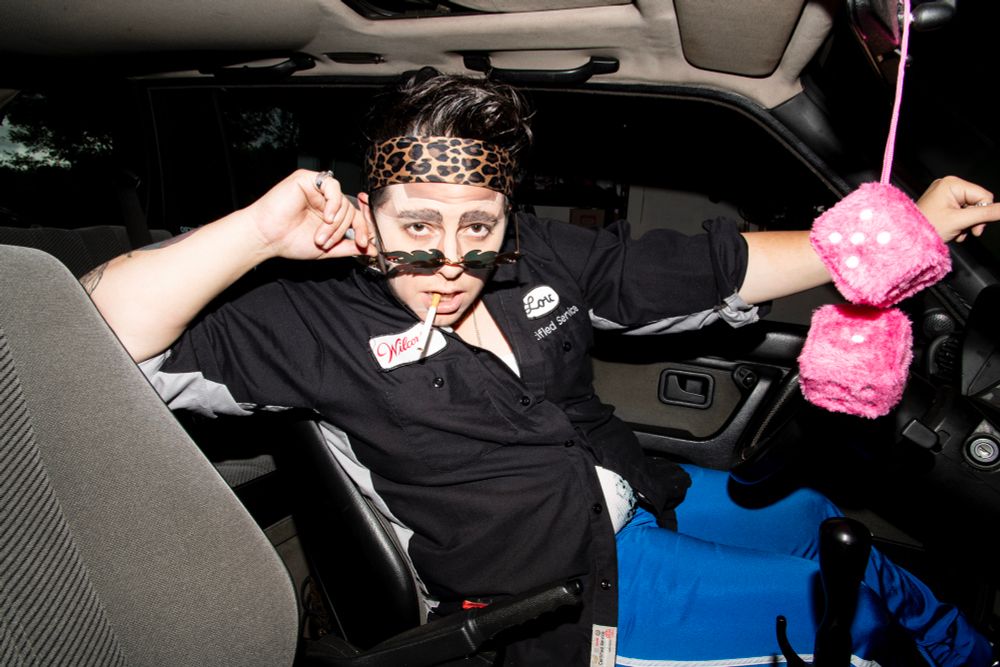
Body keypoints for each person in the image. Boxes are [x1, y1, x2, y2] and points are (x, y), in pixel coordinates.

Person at [84, 68, 997, 666]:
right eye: (416, 224)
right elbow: (98, 329)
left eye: (476, 226)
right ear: (367, 212)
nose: (450, 259)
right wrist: (257, 231)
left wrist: (897, 230)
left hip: (636, 489)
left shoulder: (536, 257)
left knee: (818, 518)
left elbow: (704, 268)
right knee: (849, 611)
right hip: (562, 586)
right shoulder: (305, 318)